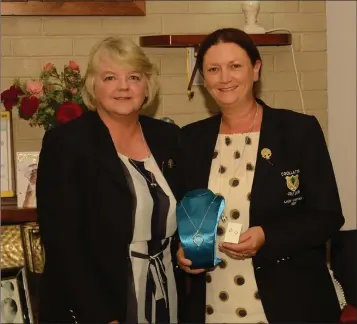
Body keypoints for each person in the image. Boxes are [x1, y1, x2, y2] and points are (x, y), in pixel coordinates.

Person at [177, 28, 345, 323]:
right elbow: (185, 214)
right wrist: (183, 251)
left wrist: (268, 236)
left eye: (235, 66)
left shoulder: (298, 131)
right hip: (213, 306)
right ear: (203, 78)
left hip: (290, 304)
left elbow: (327, 216)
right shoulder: (191, 139)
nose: (224, 78)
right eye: (213, 69)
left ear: (256, 69)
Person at [36, 36, 182, 323]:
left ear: (147, 85)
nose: (124, 86)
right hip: (102, 302)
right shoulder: (66, 144)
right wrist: (100, 315)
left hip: (167, 291)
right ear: (93, 86)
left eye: (134, 77)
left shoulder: (169, 138)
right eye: (110, 77)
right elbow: (63, 242)